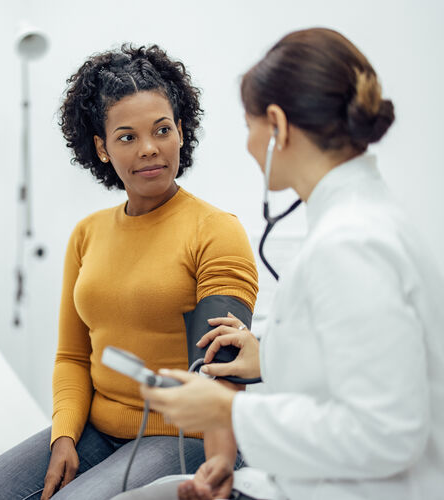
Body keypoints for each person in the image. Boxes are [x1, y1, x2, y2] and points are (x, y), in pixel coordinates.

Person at [121, 28, 444, 500]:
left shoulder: (350, 244)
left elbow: (387, 432)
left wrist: (227, 413)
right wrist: (269, 356)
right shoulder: (365, 220)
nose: (249, 144)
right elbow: (362, 361)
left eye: (249, 125)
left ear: (277, 125)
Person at [0, 44, 259, 500]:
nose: (149, 149)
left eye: (161, 129)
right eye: (127, 137)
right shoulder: (87, 234)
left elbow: (220, 374)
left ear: (180, 131)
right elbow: (73, 358)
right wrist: (63, 437)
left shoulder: (215, 231)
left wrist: (218, 466)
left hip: (185, 436)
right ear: (101, 147)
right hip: (99, 429)